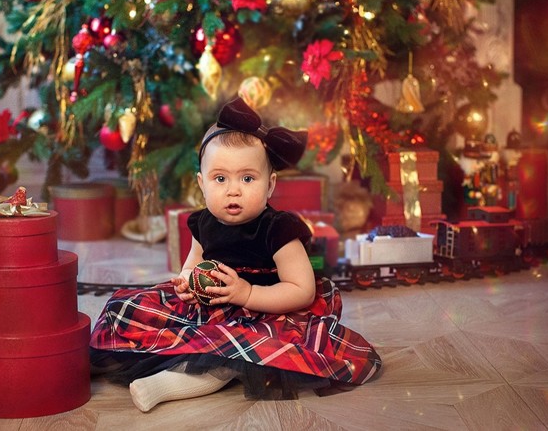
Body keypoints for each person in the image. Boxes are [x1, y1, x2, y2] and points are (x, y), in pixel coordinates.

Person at [90, 97, 382, 412]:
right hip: (215, 308)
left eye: (247, 178)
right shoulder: (203, 223)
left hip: (270, 312)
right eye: (220, 179)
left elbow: (302, 290)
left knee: (229, 351)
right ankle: (156, 360)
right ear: (202, 184)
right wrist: (187, 283)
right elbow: (191, 265)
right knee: (128, 309)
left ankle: (170, 385)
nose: (233, 190)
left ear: (270, 185)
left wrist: (247, 293)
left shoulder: (279, 230)